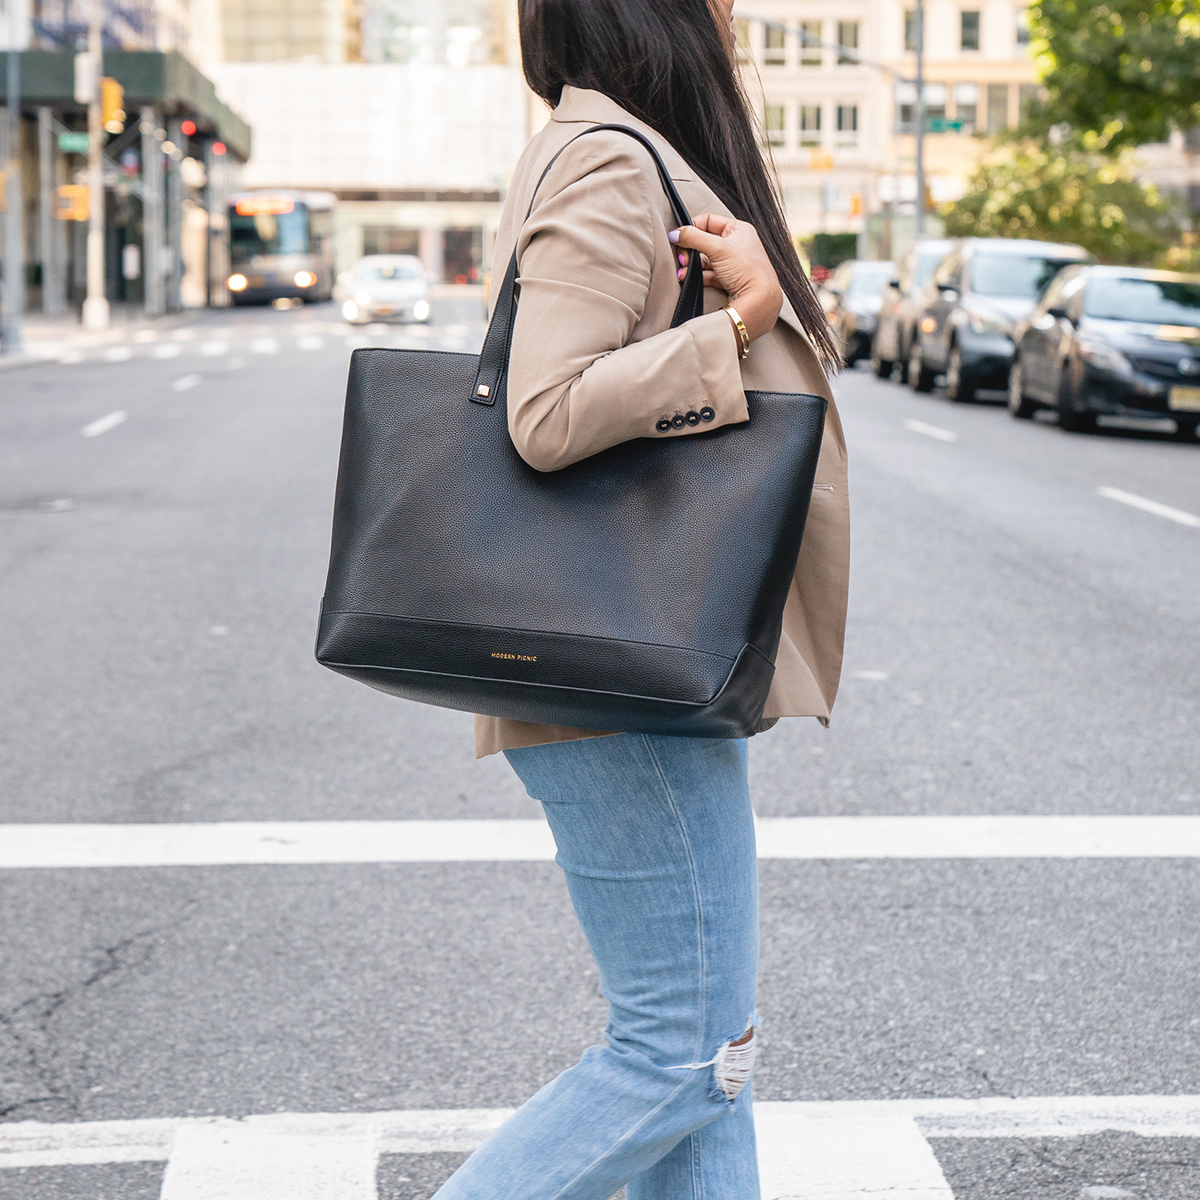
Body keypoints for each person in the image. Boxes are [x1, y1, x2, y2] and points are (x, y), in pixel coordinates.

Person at [435, 1, 849, 1196]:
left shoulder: (626, 148)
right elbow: (547, 411)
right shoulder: (615, 163)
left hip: (638, 662)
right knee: (681, 1058)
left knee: (713, 1070)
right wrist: (737, 325)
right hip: (618, 664)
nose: (734, 12)